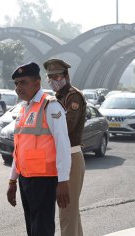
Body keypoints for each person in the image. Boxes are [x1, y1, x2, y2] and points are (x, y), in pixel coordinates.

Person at [6, 62, 71, 236]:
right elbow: (18, 150)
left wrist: (63, 181)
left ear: (37, 83)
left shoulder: (50, 106)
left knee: (42, 230)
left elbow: (63, 144)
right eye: (16, 83)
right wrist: (12, 180)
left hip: (44, 180)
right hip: (26, 180)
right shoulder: (24, 109)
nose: (18, 87)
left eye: (23, 82)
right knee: (32, 229)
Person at [44, 58, 86, 236]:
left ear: (66, 76)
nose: (54, 80)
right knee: (71, 211)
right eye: (50, 77)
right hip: (59, 156)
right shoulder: (56, 98)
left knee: (67, 211)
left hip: (71, 156)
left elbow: (66, 127)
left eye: (57, 76)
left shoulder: (73, 96)